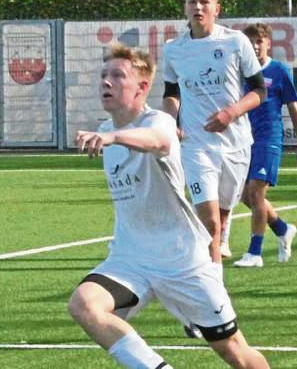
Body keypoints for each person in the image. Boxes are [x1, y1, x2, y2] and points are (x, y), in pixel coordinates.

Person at [69, 43, 269, 369]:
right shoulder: (105, 129)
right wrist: (111, 136)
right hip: (130, 258)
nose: (106, 82)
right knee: (84, 304)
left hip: (182, 261)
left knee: (236, 352)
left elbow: (158, 141)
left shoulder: (157, 121)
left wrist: (115, 138)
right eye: (104, 75)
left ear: (143, 87)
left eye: (118, 76)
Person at [161, 0, 266, 265]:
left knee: (221, 216)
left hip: (236, 144)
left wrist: (230, 113)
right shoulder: (173, 50)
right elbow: (171, 95)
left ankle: (218, 251)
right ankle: (214, 290)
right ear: (185, 7)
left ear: (216, 9)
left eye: (204, 2)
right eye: (192, 2)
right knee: (209, 224)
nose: (198, 7)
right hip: (196, 145)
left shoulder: (235, 42)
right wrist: (171, 123)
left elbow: (259, 91)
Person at [233, 23, 297, 268]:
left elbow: (293, 108)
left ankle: (255, 253)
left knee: (256, 192)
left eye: (259, 41)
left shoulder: (278, 71)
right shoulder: (240, 72)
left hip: (269, 139)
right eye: (251, 42)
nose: (255, 46)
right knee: (245, 195)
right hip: (245, 139)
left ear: (268, 43)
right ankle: (282, 228)